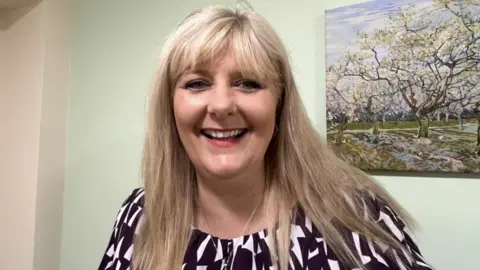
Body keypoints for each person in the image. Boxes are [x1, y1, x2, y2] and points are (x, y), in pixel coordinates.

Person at [99, 2, 435, 270]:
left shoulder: (355, 220)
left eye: (248, 83)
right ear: (169, 106)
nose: (221, 105)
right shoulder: (140, 214)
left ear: (280, 104)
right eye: (197, 83)